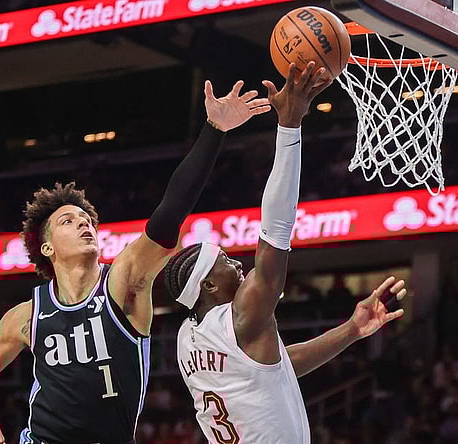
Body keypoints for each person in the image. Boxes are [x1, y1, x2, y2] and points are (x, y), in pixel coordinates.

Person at [0, 80, 271, 444]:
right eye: (68, 221)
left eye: (87, 219)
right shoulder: (27, 316)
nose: (84, 224)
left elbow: (169, 213)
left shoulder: (123, 284)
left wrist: (214, 131)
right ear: (47, 248)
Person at [164, 62, 408, 443]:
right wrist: (289, 126)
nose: (238, 263)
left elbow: (276, 366)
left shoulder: (187, 338)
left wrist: (352, 330)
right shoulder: (242, 316)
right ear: (209, 285)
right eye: (226, 261)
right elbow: (275, 230)